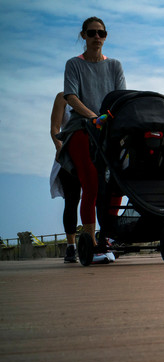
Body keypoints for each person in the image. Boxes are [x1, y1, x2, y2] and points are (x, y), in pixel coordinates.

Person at [59, 16, 126, 264]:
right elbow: (71, 96)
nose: (97, 37)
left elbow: (120, 97)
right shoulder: (74, 64)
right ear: (83, 36)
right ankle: (91, 242)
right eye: (91, 33)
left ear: (105, 36)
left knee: (116, 184)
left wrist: (109, 119)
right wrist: (94, 117)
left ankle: (106, 235)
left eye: (101, 33)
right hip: (83, 127)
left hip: (108, 128)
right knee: (92, 184)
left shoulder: (115, 65)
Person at [49, 92, 82, 263]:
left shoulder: (95, 94)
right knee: (72, 199)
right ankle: (71, 246)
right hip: (68, 156)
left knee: (99, 197)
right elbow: (55, 128)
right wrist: (59, 146)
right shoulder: (63, 97)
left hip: (93, 154)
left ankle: (101, 240)